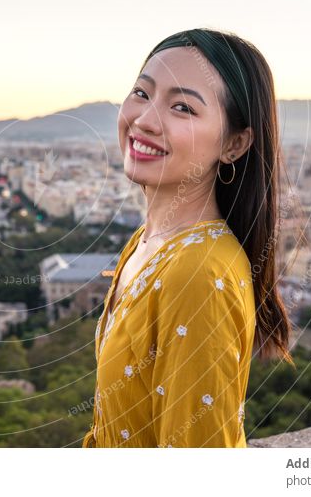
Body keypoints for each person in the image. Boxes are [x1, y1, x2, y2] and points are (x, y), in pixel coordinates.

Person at [81, 28, 294, 448]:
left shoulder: (197, 275)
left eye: (181, 107)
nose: (144, 120)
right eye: (142, 93)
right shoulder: (147, 242)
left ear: (234, 144)